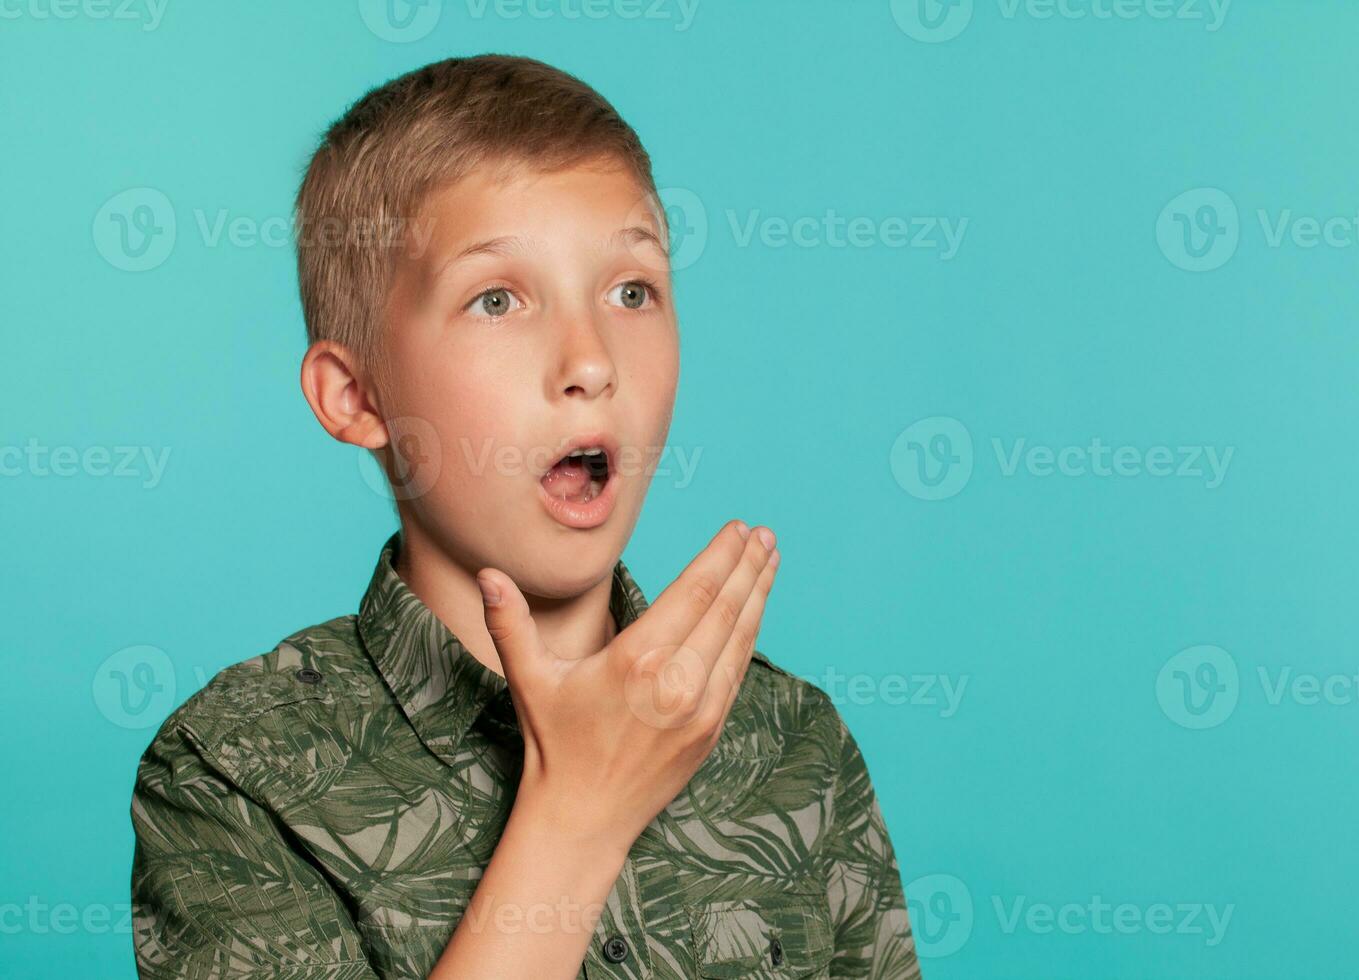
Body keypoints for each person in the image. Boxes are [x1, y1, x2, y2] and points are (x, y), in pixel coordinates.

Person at [129, 53, 921, 979]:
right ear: (355, 395)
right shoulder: (233, 771)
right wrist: (576, 813)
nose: (590, 359)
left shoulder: (793, 742)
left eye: (632, 291)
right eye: (497, 299)